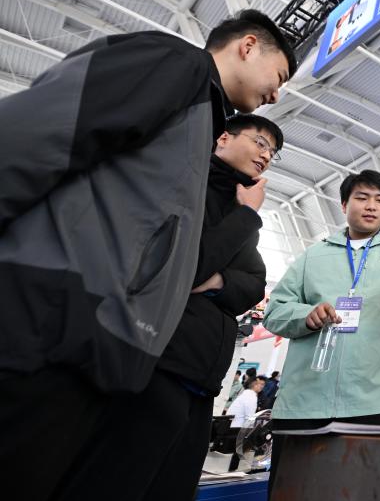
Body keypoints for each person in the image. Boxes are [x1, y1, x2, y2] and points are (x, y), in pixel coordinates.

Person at [0, 10, 295, 500]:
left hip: (97, 346)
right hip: (52, 321)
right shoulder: (177, 66)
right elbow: (39, 128)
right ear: (247, 47)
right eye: (279, 76)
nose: (277, 94)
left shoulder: (198, 125)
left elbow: (243, 281)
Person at [56, 114, 284, 499]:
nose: (266, 155)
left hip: (201, 380)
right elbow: (184, 267)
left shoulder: (239, 207)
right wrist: (246, 218)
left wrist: (218, 280)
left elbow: (254, 284)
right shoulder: (188, 187)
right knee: (117, 481)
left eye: (273, 152)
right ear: (223, 138)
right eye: (260, 142)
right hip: (157, 366)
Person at [263, 169, 380, 490]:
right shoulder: (313, 256)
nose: (371, 206)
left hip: (371, 402)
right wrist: (306, 315)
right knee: (292, 491)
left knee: (362, 491)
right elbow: (274, 311)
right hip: (304, 402)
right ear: (344, 204)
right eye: (362, 198)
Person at [226, 377, 265, 472]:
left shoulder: (245, 394)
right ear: (254, 385)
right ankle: (236, 469)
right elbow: (249, 418)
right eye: (260, 384)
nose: (262, 387)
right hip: (237, 429)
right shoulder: (251, 397)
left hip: (231, 426)